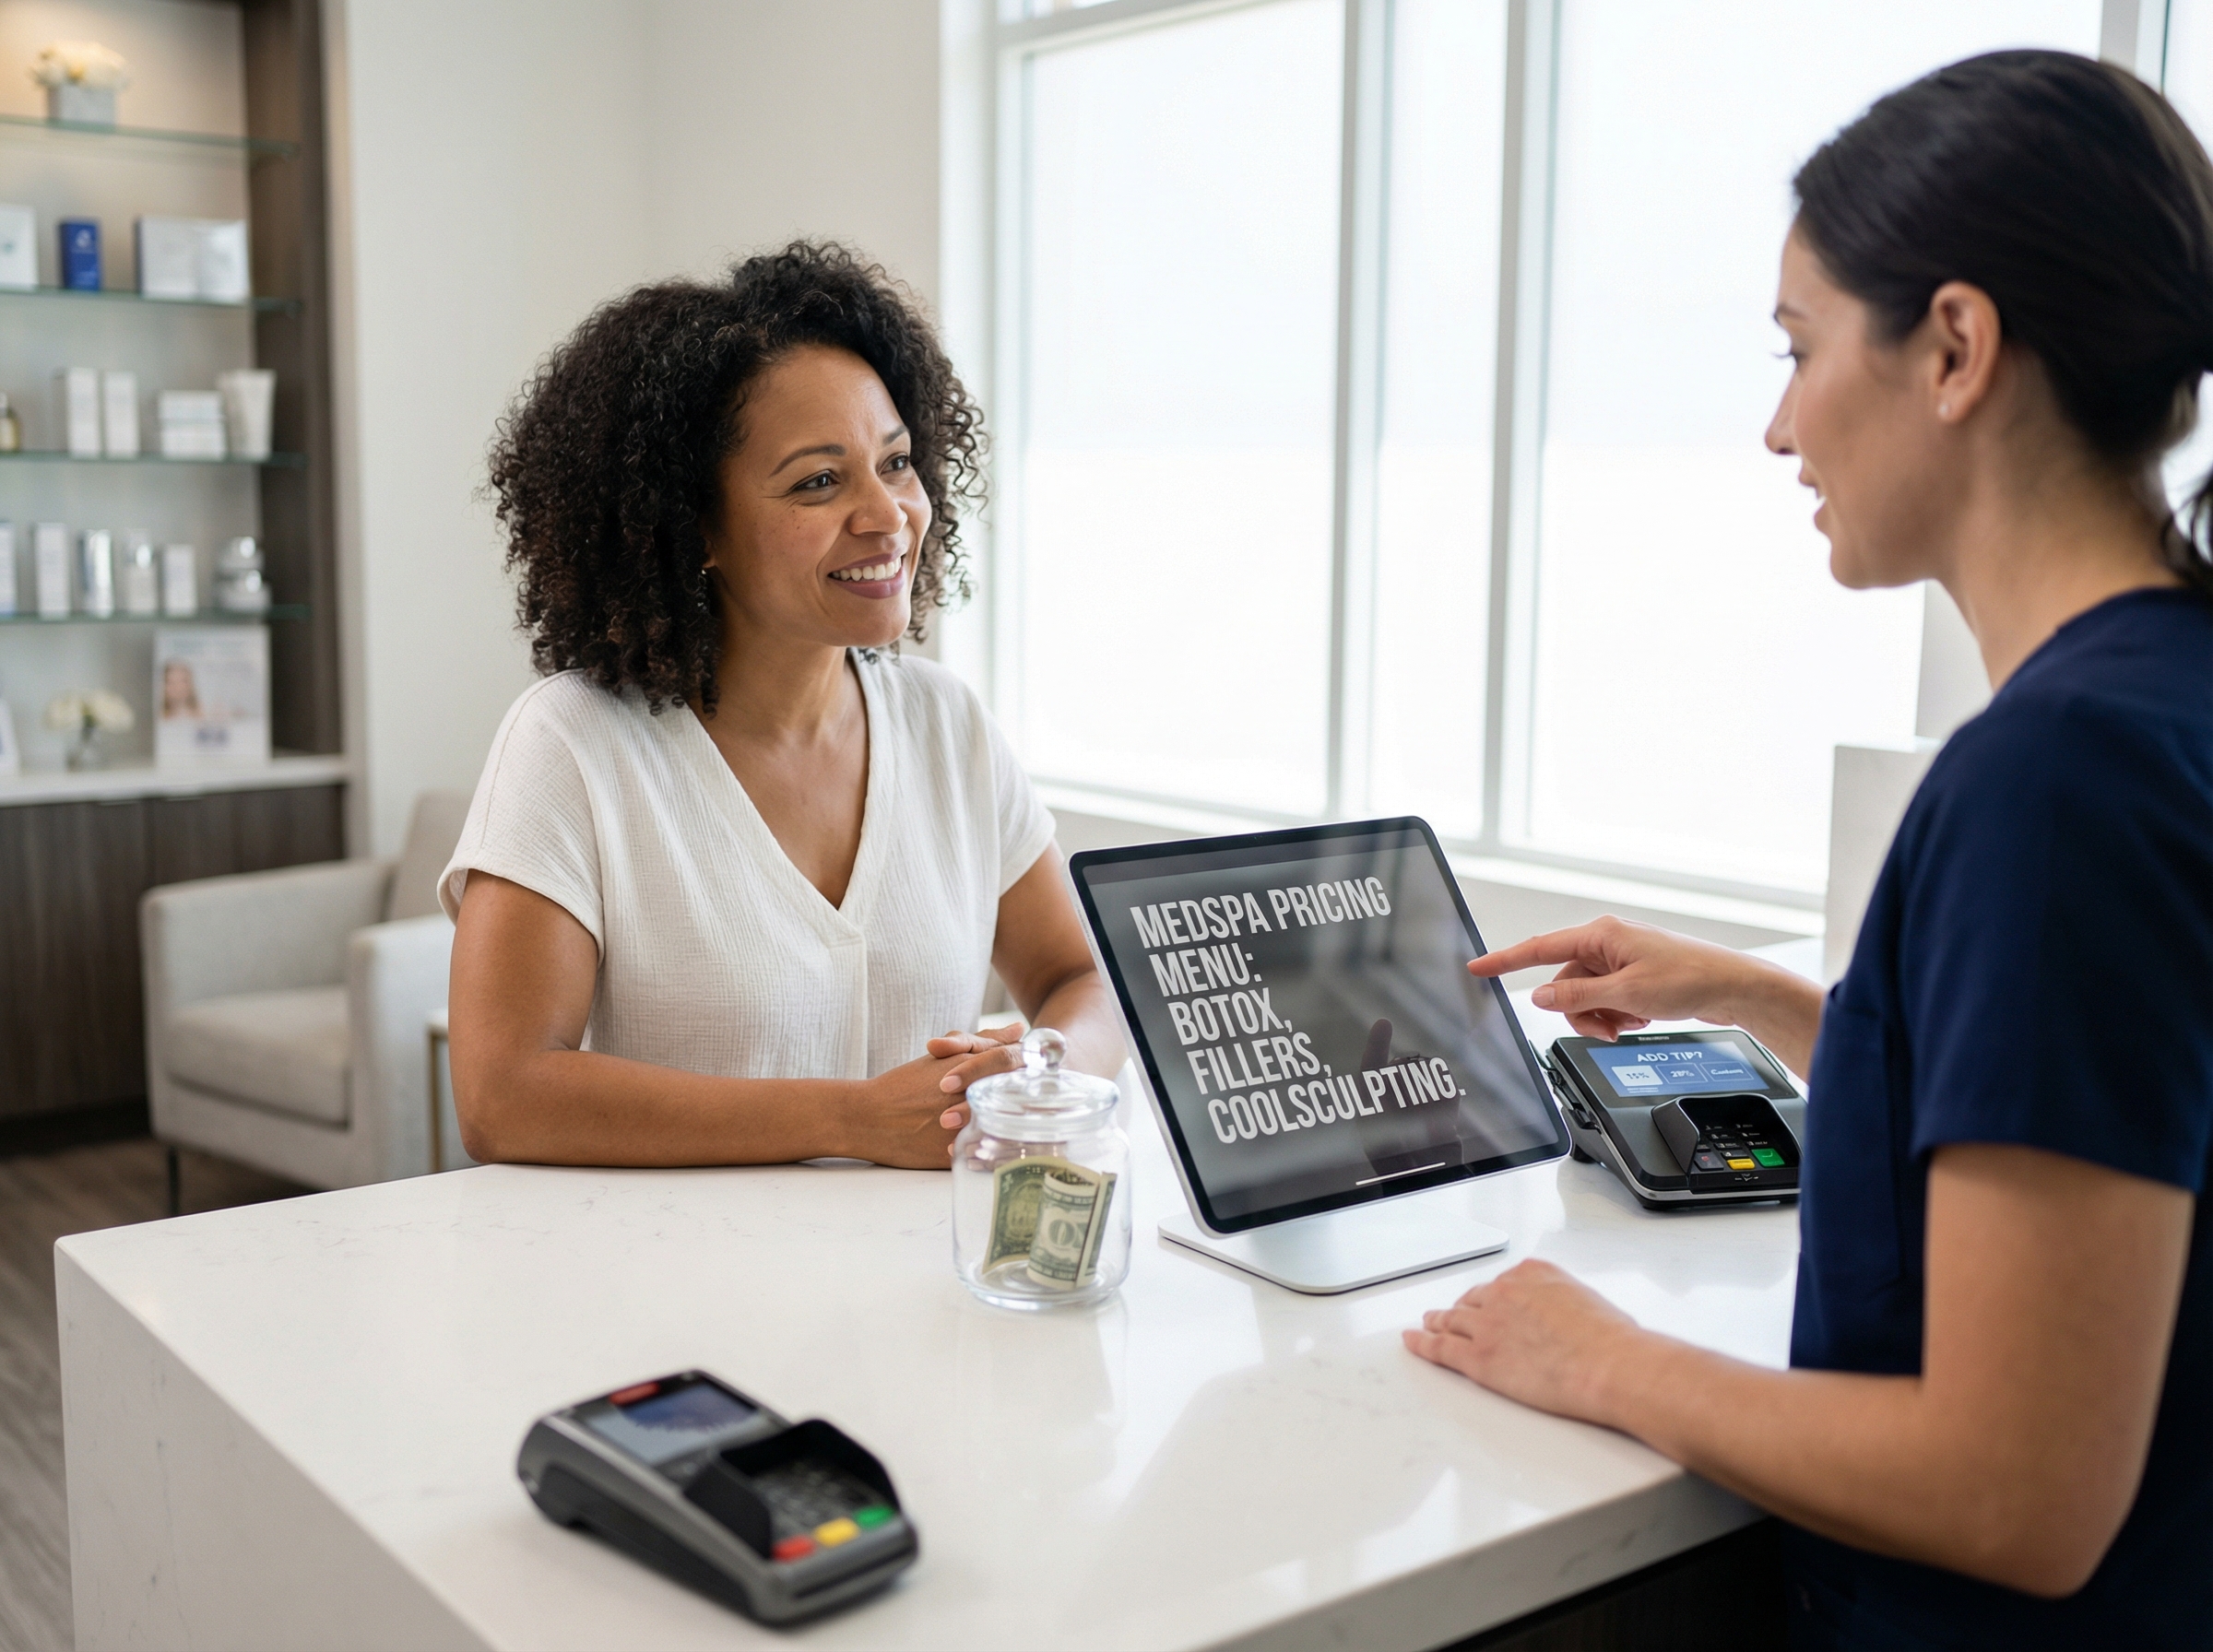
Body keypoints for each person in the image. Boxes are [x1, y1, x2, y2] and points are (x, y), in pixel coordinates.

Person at [1405, 52, 2213, 1649]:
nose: (1780, 428)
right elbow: (2112, 1115)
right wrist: (1749, 995)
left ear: (1956, 348)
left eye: (1799, 350)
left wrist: (1603, 1356)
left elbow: (2019, 1491)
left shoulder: (2053, 777)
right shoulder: (2169, 698)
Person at [441, 242, 1121, 1169]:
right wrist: (851, 1120)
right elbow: (503, 1095)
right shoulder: (573, 743)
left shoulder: (948, 725)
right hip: (671, 1260)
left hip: (928, 1257)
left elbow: (1080, 978)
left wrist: (1036, 1070)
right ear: (694, 528)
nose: (888, 516)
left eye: (896, 462)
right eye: (818, 481)